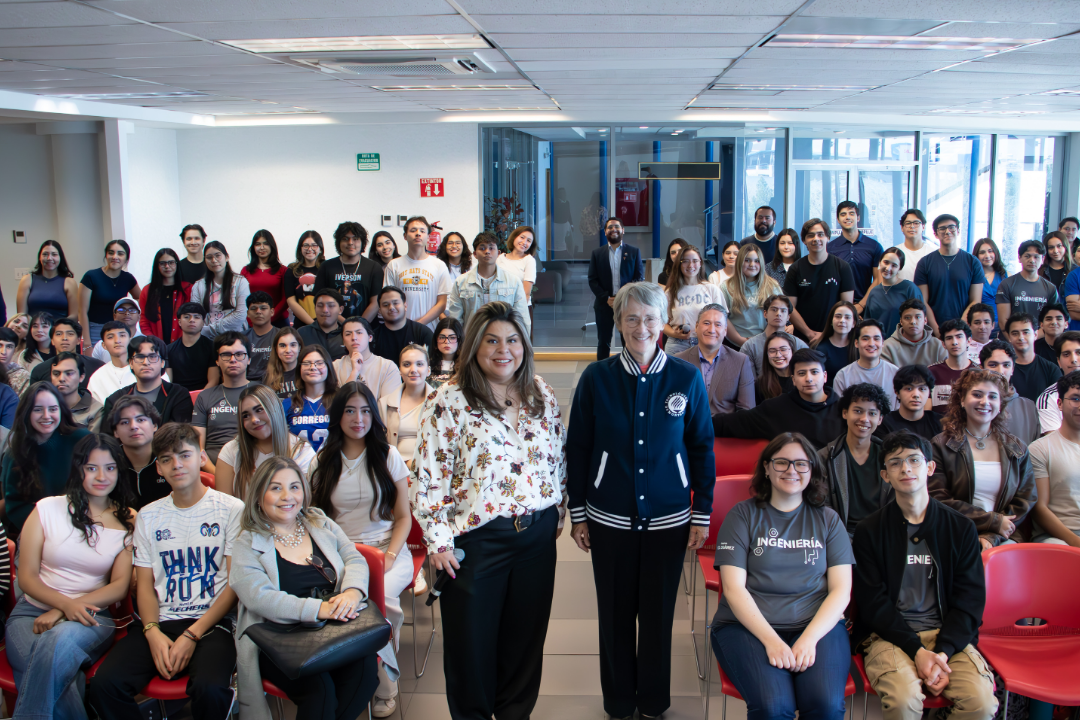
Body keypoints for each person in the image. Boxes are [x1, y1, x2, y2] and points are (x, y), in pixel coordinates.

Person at [564, 282, 712, 719]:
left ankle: (652, 701)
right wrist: (577, 513)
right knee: (613, 618)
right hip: (608, 519)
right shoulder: (597, 378)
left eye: (650, 318)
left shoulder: (685, 378)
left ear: (662, 323)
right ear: (619, 323)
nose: (641, 327)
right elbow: (578, 448)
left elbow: (702, 446)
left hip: (669, 520)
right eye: (631, 318)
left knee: (657, 618)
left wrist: (700, 512)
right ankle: (618, 702)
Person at [414, 300, 566, 720]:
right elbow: (429, 473)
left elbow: (557, 454)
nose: (504, 349)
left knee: (524, 643)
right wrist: (439, 541)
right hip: (476, 542)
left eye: (513, 340)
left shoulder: (541, 393)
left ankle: (515, 714)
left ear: (524, 344)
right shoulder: (450, 400)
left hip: (535, 537)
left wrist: (557, 507)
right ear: (475, 346)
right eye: (493, 340)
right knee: (471, 647)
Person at [87, 423, 242, 720]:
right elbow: (144, 586)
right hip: (160, 621)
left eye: (184, 455)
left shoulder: (231, 509)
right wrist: (152, 631)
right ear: (158, 467)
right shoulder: (149, 515)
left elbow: (234, 585)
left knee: (209, 689)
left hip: (213, 624)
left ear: (200, 457)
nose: (177, 465)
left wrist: (192, 634)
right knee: (105, 685)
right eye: (167, 459)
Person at [852, 431, 998, 720]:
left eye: (914, 460)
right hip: (890, 637)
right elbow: (872, 604)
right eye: (895, 463)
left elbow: (970, 601)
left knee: (981, 704)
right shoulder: (869, 530)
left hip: (946, 637)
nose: (905, 468)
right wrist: (917, 651)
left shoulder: (960, 528)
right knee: (904, 703)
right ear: (885, 476)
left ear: (929, 468)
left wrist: (941, 653)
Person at [710, 432, 854, 720]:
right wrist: (772, 641)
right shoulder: (742, 515)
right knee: (774, 708)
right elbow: (734, 589)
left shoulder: (828, 519)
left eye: (801, 464)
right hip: (747, 628)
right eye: (782, 462)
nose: (792, 470)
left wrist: (809, 639)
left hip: (816, 626)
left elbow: (841, 590)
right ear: (766, 467)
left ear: (812, 469)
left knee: (825, 706)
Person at [230, 457, 384, 720]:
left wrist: (352, 592)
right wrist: (320, 609)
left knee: (365, 675)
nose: (287, 496)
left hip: (336, 628)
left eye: (294, 486)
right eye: (275, 488)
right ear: (258, 495)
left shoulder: (319, 522)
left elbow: (354, 558)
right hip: (278, 637)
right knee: (319, 690)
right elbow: (259, 599)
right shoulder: (247, 542)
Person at [6, 433, 135, 720]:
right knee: (56, 672)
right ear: (78, 470)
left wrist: (65, 612)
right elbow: (26, 578)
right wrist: (63, 606)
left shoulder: (129, 519)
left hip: (91, 616)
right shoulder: (47, 508)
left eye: (110, 467)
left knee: (54, 645)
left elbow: (118, 587)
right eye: (92, 468)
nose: (102, 476)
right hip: (31, 613)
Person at [308, 381, 413, 716]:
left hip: (387, 548)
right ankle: (349, 673)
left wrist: (390, 557)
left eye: (366, 410)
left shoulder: (387, 455)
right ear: (338, 415)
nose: (358, 418)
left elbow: (404, 518)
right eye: (350, 410)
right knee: (344, 606)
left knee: (383, 601)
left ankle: (384, 683)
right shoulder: (323, 460)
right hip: (341, 555)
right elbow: (313, 519)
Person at [929, 368, 1036, 548]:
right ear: (962, 400)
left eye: (993, 396)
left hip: (1003, 537)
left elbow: (1025, 501)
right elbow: (938, 499)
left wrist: (991, 536)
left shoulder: (1017, 449)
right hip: (954, 532)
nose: (985, 402)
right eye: (977, 394)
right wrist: (992, 522)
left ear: (1000, 404)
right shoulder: (939, 445)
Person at [1, 382, 91, 536]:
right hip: (40, 532)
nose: (46, 416)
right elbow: (15, 506)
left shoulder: (82, 440)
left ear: (61, 410)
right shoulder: (15, 454)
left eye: (53, 409)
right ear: (26, 413)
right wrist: (47, 530)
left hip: (86, 524)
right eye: (37, 410)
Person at [714, 348, 844, 449]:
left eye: (814, 372)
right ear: (793, 379)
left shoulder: (844, 410)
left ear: (825, 376)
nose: (809, 378)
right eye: (801, 373)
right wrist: (698, 424)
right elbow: (732, 423)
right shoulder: (775, 408)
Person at [216, 384, 314, 499]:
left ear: (275, 409)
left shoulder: (302, 451)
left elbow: (306, 504)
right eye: (246, 415)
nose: (254, 420)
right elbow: (225, 506)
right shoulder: (231, 450)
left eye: (259, 410)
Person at [819, 382, 891, 535]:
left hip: (883, 533)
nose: (864, 419)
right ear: (845, 413)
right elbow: (823, 507)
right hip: (840, 535)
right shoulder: (824, 457)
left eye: (872, 413)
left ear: (880, 419)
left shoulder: (891, 457)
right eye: (858, 411)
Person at [99, 334, 191, 435]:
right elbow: (108, 440)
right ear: (131, 363)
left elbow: (180, 436)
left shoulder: (178, 395)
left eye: (153, 357)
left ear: (162, 363)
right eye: (140, 357)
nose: (146, 362)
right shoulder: (115, 400)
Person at [674, 304, 755, 415]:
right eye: (706, 323)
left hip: (725, 430)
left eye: (718, 325)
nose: (711, 330)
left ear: (725, 330)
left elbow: (746, 412)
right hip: (688, 431)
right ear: (697, 327)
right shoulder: (678, 361)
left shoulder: (741, 362)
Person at [785, 218, 855, 343]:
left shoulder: (842, 267)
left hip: (834, 337)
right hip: (803, 338)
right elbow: (790, 307)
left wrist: (827, 333)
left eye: (820, 234)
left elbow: (846, 308)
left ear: (828, 237)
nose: (816, 239)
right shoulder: (795, 269)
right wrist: (810, 334)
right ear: (804, 240)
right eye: (810, 235)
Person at [446, 232, 530, 336]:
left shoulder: (513, 282)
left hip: (503, 343)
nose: (487, 252)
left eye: (491, 248)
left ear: (498, 253)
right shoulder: (461, 282)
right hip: (471, 342)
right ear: (475, 254)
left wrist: (521, 345)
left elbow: (522, 318)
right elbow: (455, 320)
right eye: (482, 248)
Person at [1031, 371, 1080, 546]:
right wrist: (1076, 542)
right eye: (1075, 398)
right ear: (1059, 403)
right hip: (1059, 538)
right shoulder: (1039, 449)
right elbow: (1039, 509)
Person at [192, 331, 251, 470]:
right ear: (217, 360)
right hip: (212, 470)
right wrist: (216, 474)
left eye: (239, 354)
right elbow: (197, 446)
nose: (233, 360)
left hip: (254, 468)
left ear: (249, 359)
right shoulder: (204, 396)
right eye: (226, 355)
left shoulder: (262, 392)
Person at [914, 216, 983, 335]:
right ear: (936, 234)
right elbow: (923, 301)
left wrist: (960, 327)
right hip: (933, 331)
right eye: (942, 228)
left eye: (951, 227)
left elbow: (975, 300)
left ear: (958, 231)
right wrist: (936, 330)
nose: (947, 231)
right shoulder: (925, 263)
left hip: (963, 330)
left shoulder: (972, 262)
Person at [588, 218, 645, 361]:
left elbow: (638, 278)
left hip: (627, 304)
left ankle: (628, 368)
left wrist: (623, 297)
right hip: (604, 304)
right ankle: (601, 371)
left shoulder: (633, 252)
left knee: (628, 340)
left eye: (617, 226)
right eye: (610, 227)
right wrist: (606, 298)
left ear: (623, 230)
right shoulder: (597, 253)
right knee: (603, 342)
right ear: (605, 231)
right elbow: (592, 280)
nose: (614, 229)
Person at [385, 216, 452, 330]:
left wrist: (417, 326)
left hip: (430, 330)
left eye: (422, 231)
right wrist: (406, 327)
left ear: (428, 236)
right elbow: (388, 300)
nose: (418, 234)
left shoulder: (439, 265)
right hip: (400, 329)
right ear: (405, 236)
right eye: (413, 230)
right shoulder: (394, 265)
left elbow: (442, 303)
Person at [378, 344, 433, 472]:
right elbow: (379, 446)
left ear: (428, 370)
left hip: (430, 473)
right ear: (400, 370)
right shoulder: (384, 403)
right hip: (394, 472)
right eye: (407, 364)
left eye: (419, 364)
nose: (413, 369)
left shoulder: (442, 404)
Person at [663, 245, 726, 356]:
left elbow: (722, 321)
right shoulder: (670, 292)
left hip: (706, 342)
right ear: (679, 264)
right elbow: (662, 323)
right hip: (677, 344)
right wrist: (675, 333)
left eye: (695, 261)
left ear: (700, 263)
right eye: (685, 261)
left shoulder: (712, 289)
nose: (691, 265)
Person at [313, 221, 383, 321]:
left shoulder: (374, 267)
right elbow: (320, 300)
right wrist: (344, 324)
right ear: (339, 242)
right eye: (345, 239)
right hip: (333, 326)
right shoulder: (327, 266)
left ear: (362, 242)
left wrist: (359, 326)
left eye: (355, 239)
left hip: (365, 328)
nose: (350, 242)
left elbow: (375, 302)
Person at [110, 396, 170, 509]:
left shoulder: (171, 459)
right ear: (115, 432)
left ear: (155, 426)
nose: (133, 426)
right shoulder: (109, 463)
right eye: (125, 422)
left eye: (140, 420)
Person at [980, 340, 1043, 446]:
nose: (1000, 371)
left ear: (1013, 369)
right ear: (982, 368)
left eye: (1006, 365)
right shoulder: (974, 404)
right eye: (993, 365)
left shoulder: (1029, 407)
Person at [79, 240, 139, 347]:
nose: (115, 256)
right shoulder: (91, 276)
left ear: (126, 258)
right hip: (95, 332)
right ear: (106, 255)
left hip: (119, 331)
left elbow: (142, 299)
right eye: (111, 252)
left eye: (120, 253)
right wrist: (87, 342)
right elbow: (82, 311)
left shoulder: (128, 278)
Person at [719, 244, 782, 347]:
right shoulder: (726, 287)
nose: (752, 264)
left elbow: (780, 314)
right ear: (740, 261)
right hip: (735, 343)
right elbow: (723, 317)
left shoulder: (772, 286)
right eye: (747, 260)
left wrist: (762, 340)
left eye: (757, 261)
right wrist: (741, 341)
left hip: (766, 342)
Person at [833, 319, 899, 410]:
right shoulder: (843, 376)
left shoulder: (895, 373)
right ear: (856, 343)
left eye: (876, 339)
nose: (871, 344)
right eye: (865, 339)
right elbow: (840, 412)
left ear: (883, 343)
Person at [190, 240, 250, 338]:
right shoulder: (198, 286)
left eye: (218, 255)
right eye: (209, 257)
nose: (214, 260)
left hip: (235, 338)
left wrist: (209, 329)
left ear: (226, 257)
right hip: (208, 339)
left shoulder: (240, 282)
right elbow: (196, 315)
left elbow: (241, 314)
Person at [284, 344, 336, 454]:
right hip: (299, 467)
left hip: (333, 465)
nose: (313, 367)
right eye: (307, 363)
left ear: (328, 367)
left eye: (319, 363)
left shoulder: (340, 400)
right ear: (299, 369)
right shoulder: (288, 404)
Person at [333, 316, 402, 399]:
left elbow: (389, 406)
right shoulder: (334, 367)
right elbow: (336, 404)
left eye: (359, 332)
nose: (354, 338)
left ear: (370, 337)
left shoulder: (388, 367)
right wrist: (354, 372)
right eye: (348, 334)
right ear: (343, 341)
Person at [740, 294, 808, 377]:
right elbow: (747, 380)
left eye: (783, 311)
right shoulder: (750, 346)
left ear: (788, 317)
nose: (778, 314)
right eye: (774, 310)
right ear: (765, 314)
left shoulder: (800, 345)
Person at [828, 200, 884, 301]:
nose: (848, 217)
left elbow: (878, 280)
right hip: (838, 307)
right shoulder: (830, 248)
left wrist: (861, 305)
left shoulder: (874, 246)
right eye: (843, 214)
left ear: (858, 218)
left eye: (851, 213)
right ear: (838, 219)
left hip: (866, 306)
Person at [996, 240, 1060, 327]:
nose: (1032, 260)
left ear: (1043, 259)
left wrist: (1033, 338)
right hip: (1013, 337)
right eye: (1027, 256)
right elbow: (1003, 322)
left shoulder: (1050, 288)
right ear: (1019, 258)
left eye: (1036, 257)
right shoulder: (1006, 285)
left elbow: (1052, 321)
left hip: (1041, 338)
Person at [859, 246, 921, 334]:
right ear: (880, 262)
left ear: (900, 268)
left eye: (894, 265)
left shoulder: (909, 288)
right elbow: (868, 324)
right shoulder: (874, 292)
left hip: (902, 345)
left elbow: (919, 320)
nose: (888, 268)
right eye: (886, 262)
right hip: (878, 345)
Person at [28, 317, 104, 389]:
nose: (64, 338)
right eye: (59, 334)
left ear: (78, 340)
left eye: (70, 334)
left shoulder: (97, 366)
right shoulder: (39, 370)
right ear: (52, 340)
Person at [1004, 313, 1063, 402]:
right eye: (1015, 333)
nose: (1021, 337)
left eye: (1026, 332)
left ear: (1035, 334)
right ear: (1009, 337)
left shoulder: (1051, 369)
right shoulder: (1002, 368)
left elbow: (1056, 404)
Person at [876, 365, 944, 441]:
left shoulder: (940, 422)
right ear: (897, 393)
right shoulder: (883, 424)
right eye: (909, 388)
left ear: (929, 393)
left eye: (922, 389)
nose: (916, 395)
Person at [138, 248, 190, 345]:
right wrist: (153, 341)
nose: (167, 266)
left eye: (171, 262)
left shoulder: (187, 289)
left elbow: (192, 318)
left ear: (177, 264)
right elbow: (143, 319)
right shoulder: (147, 291)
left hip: (183, 344)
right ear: (157, 266)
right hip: (155, 345)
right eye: (162, 263)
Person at [16, 240, 78, 321]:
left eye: (54, 254)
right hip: (33, 331)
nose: (49, 258)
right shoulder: (27, 280)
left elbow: (75, 316)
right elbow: (21, 315)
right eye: (45, 254)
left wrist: (54, 327)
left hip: (60, 331)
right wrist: (39, 327)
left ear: (60, 257)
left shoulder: (70, 282)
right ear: (39, 257)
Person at [164, 302, 219, 392]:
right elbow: (168, 382)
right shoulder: (169, 349)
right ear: (179, 322)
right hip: (177, 397)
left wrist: (198, 398)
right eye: (186, 317)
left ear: (203, 322)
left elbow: (214, 381)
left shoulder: (212, 347)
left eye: (196, 317)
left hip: (205, 396)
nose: (191, 320)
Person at [370, 287, 434, 362]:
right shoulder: (373, 337)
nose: (391, 307)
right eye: (386, 305)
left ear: (405, 306)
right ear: (380, 311)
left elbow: (431, 364)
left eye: (395, 303)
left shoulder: (423, 333)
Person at [1034, 331, 1080, 434]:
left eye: (1079, 353)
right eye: (1066, 354)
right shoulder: (1048, 398)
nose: (1074, 360)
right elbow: (1056, 446)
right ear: (1059, 361)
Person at [240, 229, 288, 326]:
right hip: (252, 321)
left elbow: (285, 299)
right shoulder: (245, 270)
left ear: (272, 246)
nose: (261, 247)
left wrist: (269, 316)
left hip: (278, 321)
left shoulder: (283, 270)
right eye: (258, 244)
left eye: (265, 243)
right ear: (253, 247)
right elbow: (241, 298)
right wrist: (252, 318)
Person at [881, 298, 948, 368]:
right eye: (907, 318)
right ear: (901, 321)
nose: (913, 321)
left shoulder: (938, 346)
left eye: (918, 317)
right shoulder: (887, 347)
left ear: (925, 320)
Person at [496, 226, 538, 331]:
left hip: (520, 309)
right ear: (514, 237)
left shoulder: (529, 260)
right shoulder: (500, 258)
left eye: (529, 241)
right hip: (499, 308)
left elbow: (526, 293)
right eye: (522, 237)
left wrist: (512, 313)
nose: (524, 242)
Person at [928, 319, 975, 409]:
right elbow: (926, 413)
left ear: (969, 341)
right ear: (943, 344)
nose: (954, 342)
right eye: (949, 338)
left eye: (959, 336)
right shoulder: (931, 372)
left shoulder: (979, 372)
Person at [48, 353, 103, 430]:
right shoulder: (44, 406)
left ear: (81, 376)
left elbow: (92, 441)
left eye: (69, 373)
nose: (61, 378)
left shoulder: (95, 409)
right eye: (56, 373)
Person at [810, 300, 857, 386]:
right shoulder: (819, 348)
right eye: (838, 316)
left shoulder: (858, 348)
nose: (842, 320)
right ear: (831, 321)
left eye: (847, 317)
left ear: (854, 323)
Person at [87, 320, 134, 404]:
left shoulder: (145, 368)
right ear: (104, 345)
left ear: (130, 340)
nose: (117, 340)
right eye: (110, 337)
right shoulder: (97, 377)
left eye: (122, 335)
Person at [284, 230, 324, 327]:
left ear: (320, 248)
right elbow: (291, 301)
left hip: (325, 323)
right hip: (301, 325)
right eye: (305, 245)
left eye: (314, 245)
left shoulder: (326, 268)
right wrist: (313, 324)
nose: (309, 249)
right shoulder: (292, 270)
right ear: (300, 248)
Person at [296, 288, 346, 360]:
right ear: (315, 308)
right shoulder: (302, 333)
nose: (325, 310)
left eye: (331, 305)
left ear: (340, 310)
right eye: (320, 305)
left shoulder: (347, 334)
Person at [894, 209, 938, 285]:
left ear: (923, 227)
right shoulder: (893, 253)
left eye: (916, 223)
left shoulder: (933, 254)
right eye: (908, 223)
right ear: (902, 227)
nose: (912, 226)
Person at [90, 297, 141, 363]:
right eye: (121, 310)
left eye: (132, 310)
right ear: (114, 316)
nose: (127, 313)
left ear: (139, 316)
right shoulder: (101, 345)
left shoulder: (145, 342)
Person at [972, 237, 1006, 325]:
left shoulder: (1006, 275)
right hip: (980, 326)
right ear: (976, 256)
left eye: (990, 251)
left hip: (1003, 326)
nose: (987, 255)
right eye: (982, 252)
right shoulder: (972, 277)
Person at [756, 331, 797, 404]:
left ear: (792, 351)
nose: (778, 355)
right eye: (772, 351)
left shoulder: (802, 378)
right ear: (767, 355)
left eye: (783, 349)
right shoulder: (761, 383)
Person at [244, 291, 276, 382]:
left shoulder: (282, 336)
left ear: (272, 312)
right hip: (247, 384)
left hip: (275, 383)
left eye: (263, 308)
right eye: (253, 308)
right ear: (248, 313)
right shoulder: (241, 338)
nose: (258, 312)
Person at [264, 326, 301, 398]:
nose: (288, 350)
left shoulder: (307, 372)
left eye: (293, 345)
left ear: (299, 347)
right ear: (276, 349)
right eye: (283, 346)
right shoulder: (268, 376)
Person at [428, 317, 463, 389]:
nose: (447, 342)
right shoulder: (427, 364)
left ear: (459, 340)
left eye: (452, 337)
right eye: (442, 337)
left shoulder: (466, 366)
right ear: (436, 339)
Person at [1039, 230, 1072, 297]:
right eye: (1051, 247)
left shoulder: (1075, 270)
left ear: (1065, 247)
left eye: (1059, 246)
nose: (1055, 251)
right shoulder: (1039, 270)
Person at [0, 327, 30, 397]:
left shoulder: (23, 376)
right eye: (0, 345)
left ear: (14, 351)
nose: (3, 352)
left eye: (9, 347)